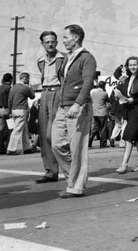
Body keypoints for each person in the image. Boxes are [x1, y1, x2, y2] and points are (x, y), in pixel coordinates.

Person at [51, 24, 96, 198]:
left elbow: (87, 82)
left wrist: (78, 104)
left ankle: (76, 187)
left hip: (78, 106)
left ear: (76, 38)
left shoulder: (87, 58)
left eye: (65, 37)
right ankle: (74, 179)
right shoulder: (68, 58)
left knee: (77, 147)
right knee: (56, 143)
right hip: (63, 107)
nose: (63, 41)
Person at [36, 30, 65, 183]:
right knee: (44, 134)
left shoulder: (64, 58)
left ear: (56, 42)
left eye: (52, 41)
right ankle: (50, 171)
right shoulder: (40, 61)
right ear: (42, 44)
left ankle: (69, 168)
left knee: (53, 134)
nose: (50, 44)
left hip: (58, 93)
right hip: (45, 93)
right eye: (47, 42)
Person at [115, 56, 138, 173]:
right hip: (129, 111)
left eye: (134, 65)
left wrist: (133, 100)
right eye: (130, 65)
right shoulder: (127, 78)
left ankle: (124, 164)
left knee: (128, 137)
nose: (132, 67)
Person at [7, 72, 35, 155]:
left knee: (24, 129)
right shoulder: (24, 88)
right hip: (21, 109)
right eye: (28, 78)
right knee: (17, 130)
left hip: (14, 110)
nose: (29, 80)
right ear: (25, 78)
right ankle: (11, 149)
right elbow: (32, 96)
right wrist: (30, 87)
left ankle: (27, 148)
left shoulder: (13, 88)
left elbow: (10, 101)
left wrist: (10, 112)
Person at [0, 73, 13, 155]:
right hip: (6, 109)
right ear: (10, 80)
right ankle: (9, 147)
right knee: (11, 129)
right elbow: (10, 100)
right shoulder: (9, 88)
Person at [89, 81, 110, 148]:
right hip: (102, 113)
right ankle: (103, 143)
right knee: (103, 128)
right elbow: (108, 101)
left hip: (95, 113)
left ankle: (90, 140)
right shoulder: (104, 93)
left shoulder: (93, 93)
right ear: (104, 86)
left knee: (95, 128)